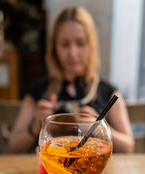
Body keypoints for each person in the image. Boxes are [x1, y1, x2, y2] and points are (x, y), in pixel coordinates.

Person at [9, 6, 134, 153]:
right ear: (54, 49)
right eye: (65, 45)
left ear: (91, 46)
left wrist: (99, 127)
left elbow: (128, 146)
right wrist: (35, 127)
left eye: (80, 43)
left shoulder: (108, 93)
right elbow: (14, 146)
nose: (73, 53)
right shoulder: (37, 92)